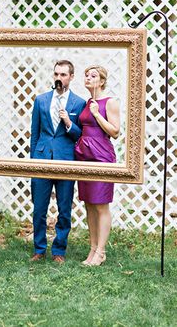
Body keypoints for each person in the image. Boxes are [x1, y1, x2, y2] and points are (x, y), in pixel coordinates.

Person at [30, 60, 86, 264]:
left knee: (64, 209)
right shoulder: (41, 100)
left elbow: (80, 136)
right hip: (42, 158)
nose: (59, 78)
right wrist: (33, 161)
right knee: (39, 208)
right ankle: (39, 249)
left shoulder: (79, 103)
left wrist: (69, 123)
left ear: (71, 77)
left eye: (63, 74)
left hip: (66, 160)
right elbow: (34, 134)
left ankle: (59, 251)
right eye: (56, 74)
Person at [75, 65, 120, 266]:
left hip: (102, 156)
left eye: (93, 75)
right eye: (86, 75)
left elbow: (115, 132)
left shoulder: (109, 102)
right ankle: (92, 249)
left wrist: (97, 114)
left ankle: (101, 252)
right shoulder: (87, 102)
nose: (88, 78)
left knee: (101, 204)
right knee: (89, 204)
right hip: (84, 156)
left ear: (101, 81)